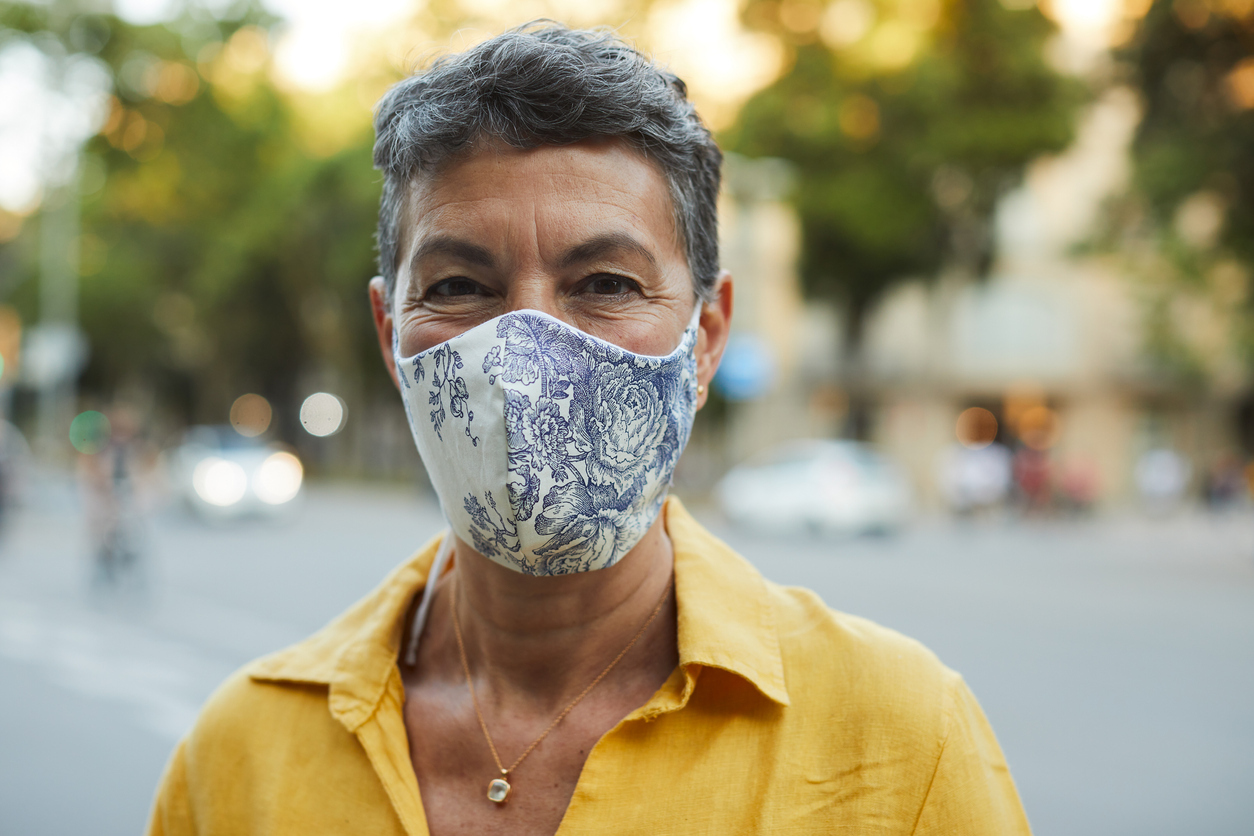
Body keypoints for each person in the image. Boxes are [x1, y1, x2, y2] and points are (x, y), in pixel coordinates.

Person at [147, 23, 1030, 835]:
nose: (528, 351)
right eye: (459, 287)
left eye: (605, 284)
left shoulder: (904, 743)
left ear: (706, 336)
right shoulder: (239, 757)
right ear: (389, 335)